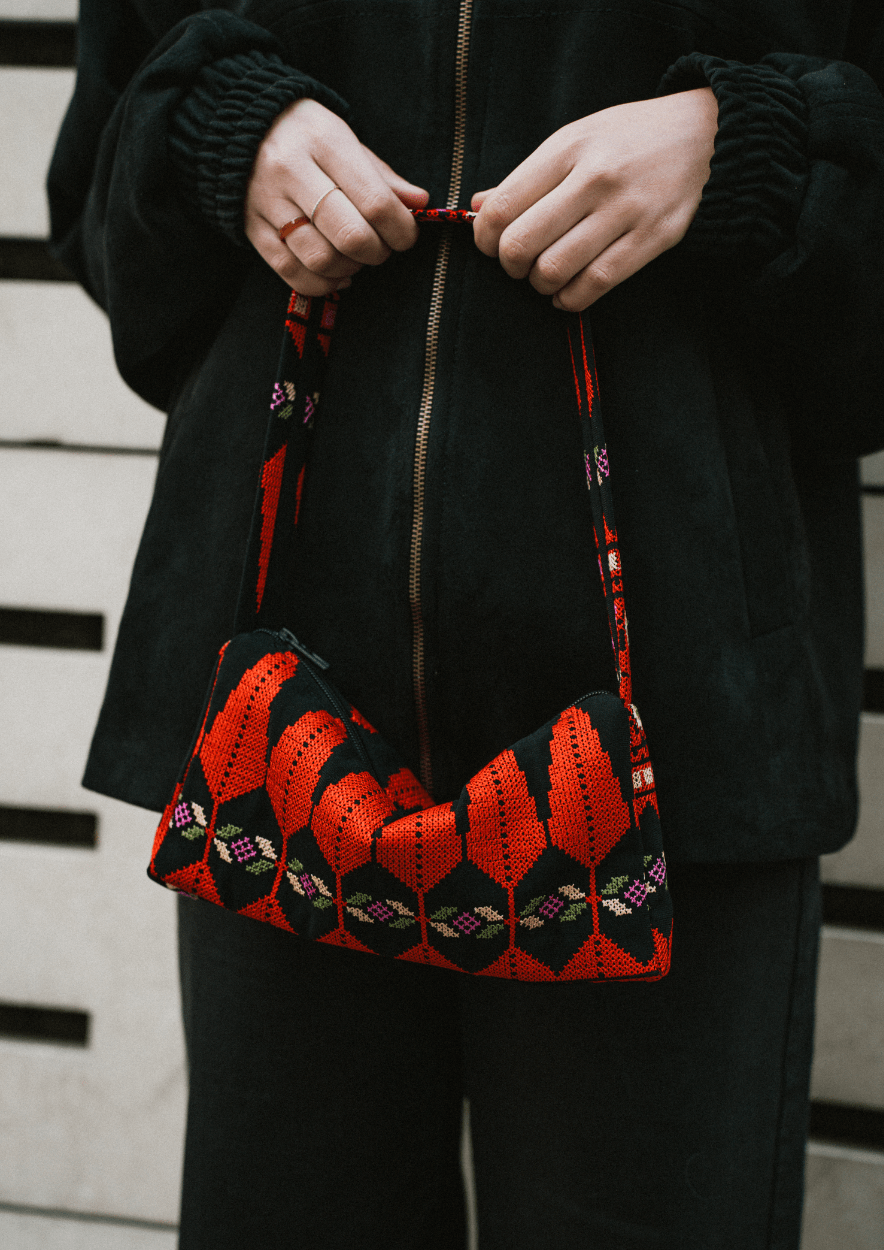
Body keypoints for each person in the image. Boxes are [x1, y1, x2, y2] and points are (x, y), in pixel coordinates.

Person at [49, 2, 884, 1247]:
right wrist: (225, 138)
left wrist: (751, 151)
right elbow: (109, 208)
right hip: (281, 740)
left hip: (676, 746)